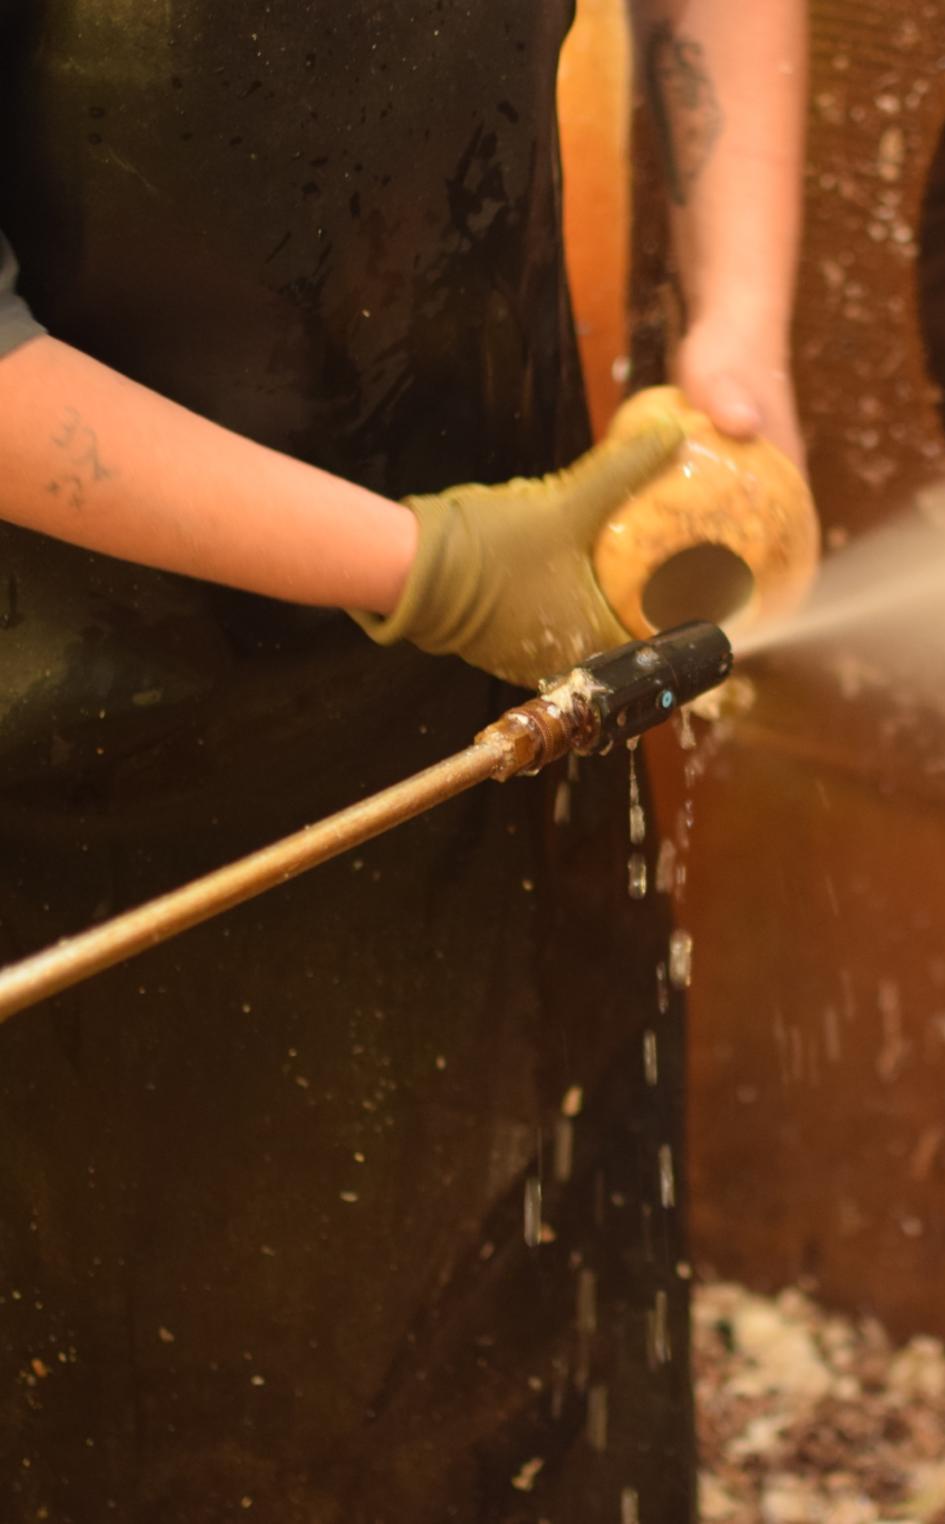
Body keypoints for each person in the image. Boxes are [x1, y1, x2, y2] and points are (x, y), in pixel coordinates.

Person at [0, 3, 803, 1518]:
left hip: (489, 559)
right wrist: (427, 571)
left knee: (487, 1258)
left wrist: (739, 334)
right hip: (63, 699)